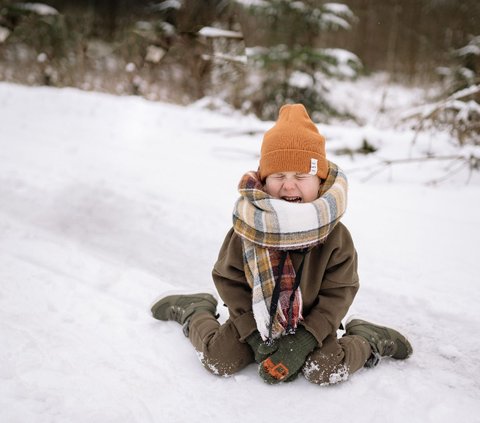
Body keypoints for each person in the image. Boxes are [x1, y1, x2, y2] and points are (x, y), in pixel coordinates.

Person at [150, 104, 412, 385]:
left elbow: (340, 290)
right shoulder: (249, 225)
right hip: (254, 318)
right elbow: (229, 279)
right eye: (278, 177)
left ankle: (368, 339)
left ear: (319, 180)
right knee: (219, 360)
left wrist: (305, 340)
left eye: (300, 177)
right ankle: (194, 311)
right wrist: (250, 332)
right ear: (264, 180)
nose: (289, 187)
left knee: (324, 370)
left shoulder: (335, 235)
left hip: (313, 324)